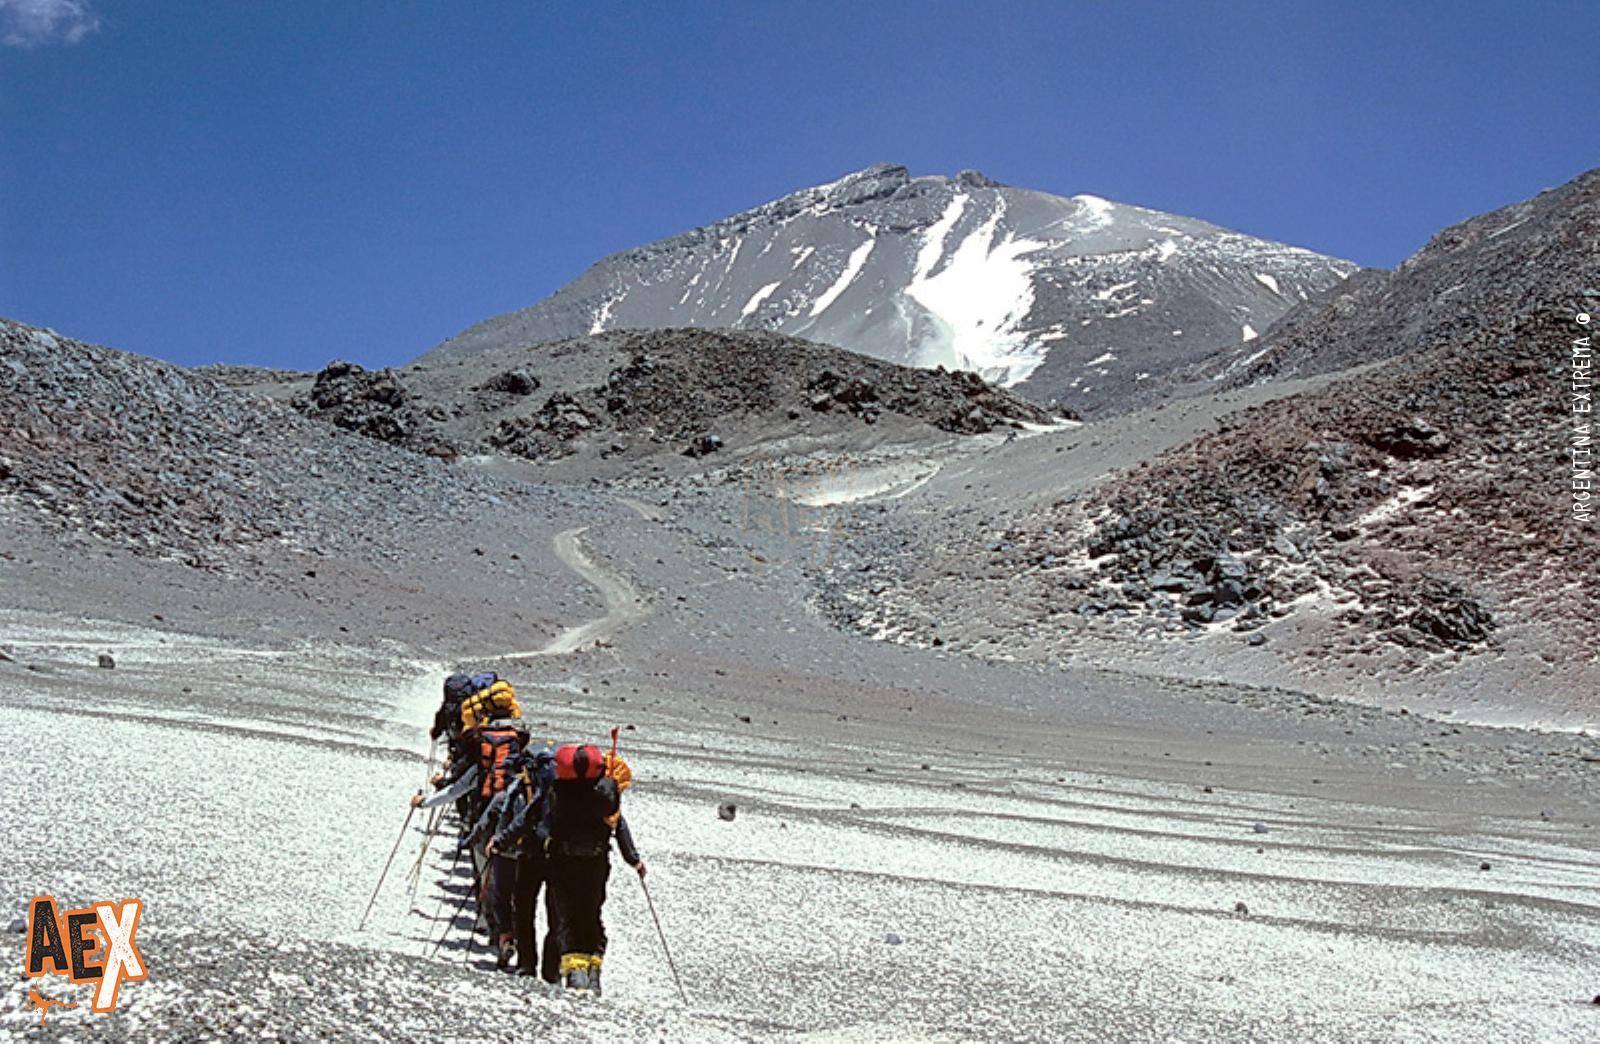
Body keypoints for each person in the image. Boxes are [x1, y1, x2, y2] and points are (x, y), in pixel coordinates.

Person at [544, 743, 645, 997]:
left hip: (563, 862)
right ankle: (594, 970)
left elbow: (543, 823)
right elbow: (619, 825)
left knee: (567, 916)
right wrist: (634, 860)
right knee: (591, 913)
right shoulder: (605, 793)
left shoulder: (559, 790)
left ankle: (575, 973)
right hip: (596, 862)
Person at [487, 746, 561, 980]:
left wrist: (500, 841)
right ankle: (552, 972)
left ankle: (527, 965)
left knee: (523, 910)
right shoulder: (563, 790)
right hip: (560, 859)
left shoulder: (530, 789)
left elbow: (523, 819)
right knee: (556, 917)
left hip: (530, 856)